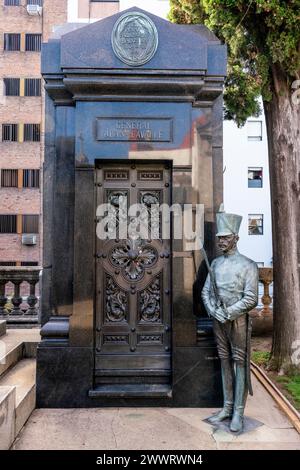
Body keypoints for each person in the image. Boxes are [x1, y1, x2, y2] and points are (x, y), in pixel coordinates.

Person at [202, 207, 258, 432]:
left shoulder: (248, 265)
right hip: (218, 321)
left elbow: (252, 298)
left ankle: (238, 412)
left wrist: (230, 312)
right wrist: (213, 310)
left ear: (236, 238)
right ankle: (226, 408)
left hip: (238, 323)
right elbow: (206, 292)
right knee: (224, 362)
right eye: (219, 238)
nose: (220, 241)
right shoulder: (214, 264)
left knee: (240, 365)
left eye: (225, 238)